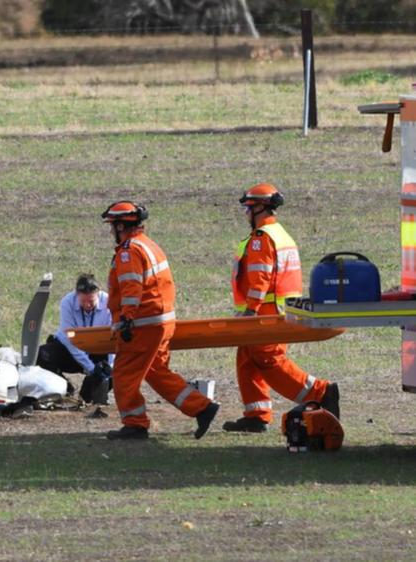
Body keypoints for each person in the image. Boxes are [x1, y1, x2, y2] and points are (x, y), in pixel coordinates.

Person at [224, 183, 340, 433]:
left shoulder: (262, 238)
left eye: (248, 208)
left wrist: (250, 310)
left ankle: (321, 392)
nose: (246, 213)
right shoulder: (280, 234)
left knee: (268, 360)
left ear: (260, 208)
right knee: (247, 357)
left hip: (267, 311)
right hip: (280, 309)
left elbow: (260, 276)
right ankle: (256, 414)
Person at [102, 201, 219, 440]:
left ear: (122, 225)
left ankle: (135, 423)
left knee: (124, 374)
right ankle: (202, 407)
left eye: (113, 226)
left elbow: (131, 287)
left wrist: (126, 319)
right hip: (160, 321)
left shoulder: (129, 251)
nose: (112, 231)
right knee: (156, 372)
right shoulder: (149, 245)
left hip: (142, 324)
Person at [37, 273, 114, 404]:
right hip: (72, 350)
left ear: (99, 294)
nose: (87, 305)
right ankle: (65, 390)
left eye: (91, 301)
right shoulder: (67, 302)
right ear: (76, 295)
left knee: (115, 368)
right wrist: (90, 368)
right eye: (83, 301)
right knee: (40, 355)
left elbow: (114, 340)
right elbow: (70, 341)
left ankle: (88, 395)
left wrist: (110, 367)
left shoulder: (109, 303)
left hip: (98, 349)